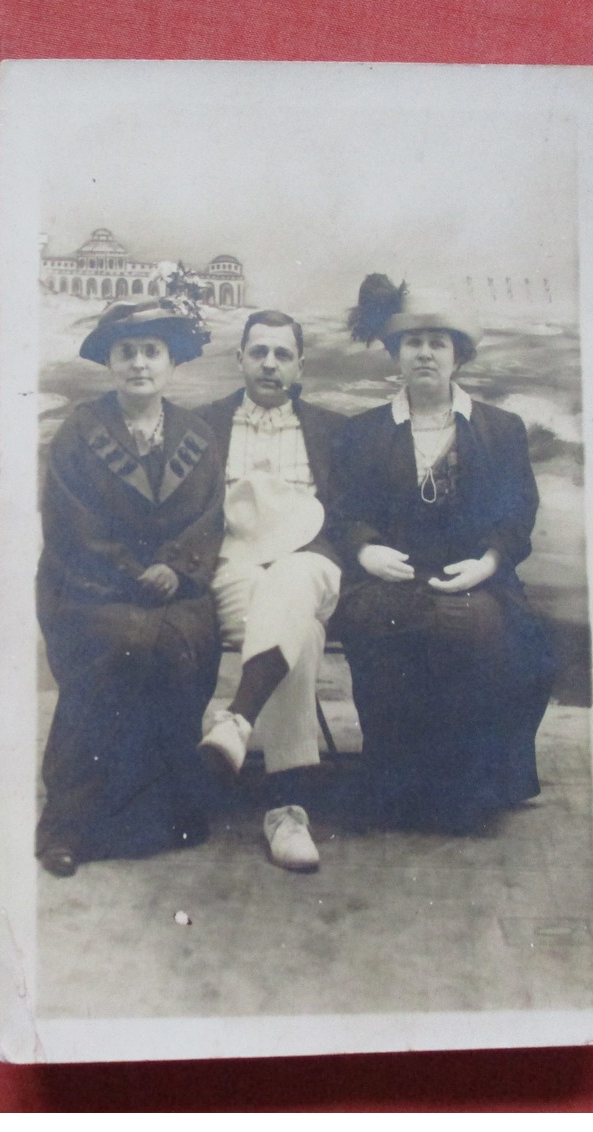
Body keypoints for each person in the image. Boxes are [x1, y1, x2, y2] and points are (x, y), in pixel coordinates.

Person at [328, 275, 556, 834]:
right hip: (389, 575)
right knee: (383, 622)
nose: (425, 353)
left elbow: (517, 514)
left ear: (459, 357)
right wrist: (365, 551)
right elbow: (344, 510)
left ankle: (465, 790)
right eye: (413, 342)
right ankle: (396, 784)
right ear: (395, 353)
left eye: (438, 343)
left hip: (475, 574)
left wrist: (488, 562)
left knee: (474, 626)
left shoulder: (499, 430)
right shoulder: (363, 432)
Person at [35, 298, 224, 877]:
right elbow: (72, 524)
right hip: (89, 586)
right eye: (126, 353)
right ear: (110, 363)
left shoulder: (197, 435)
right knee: (120, 643)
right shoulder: (79, 433)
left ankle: (167, 814)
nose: (139, 364)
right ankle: (71, 824)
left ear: (170, 363)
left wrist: (176, 566)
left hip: (177, 588)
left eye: (151, 352)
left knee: (177, 640)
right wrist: (129, 573)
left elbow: (209, 518)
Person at [195, 311, 345, 871]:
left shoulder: (330, 429)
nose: (270, 364)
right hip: (233, 568)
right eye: (259, 352)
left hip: (313, 566)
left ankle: (236, 720)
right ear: (239, 359)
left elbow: (350, 517)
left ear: (300, 364)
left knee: (293, 578)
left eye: (283, 354)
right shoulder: (203, 426)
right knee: (295, 633)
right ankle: (287, 809)